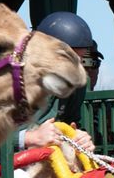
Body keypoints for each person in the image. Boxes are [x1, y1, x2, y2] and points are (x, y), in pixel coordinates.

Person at [21, 10, 100, 154]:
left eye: (80, 59)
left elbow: (72, 123)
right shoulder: (11, 79)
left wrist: (80, 137)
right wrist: (29, 138)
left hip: (49, 161)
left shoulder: (76, 84)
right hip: (1, 167)